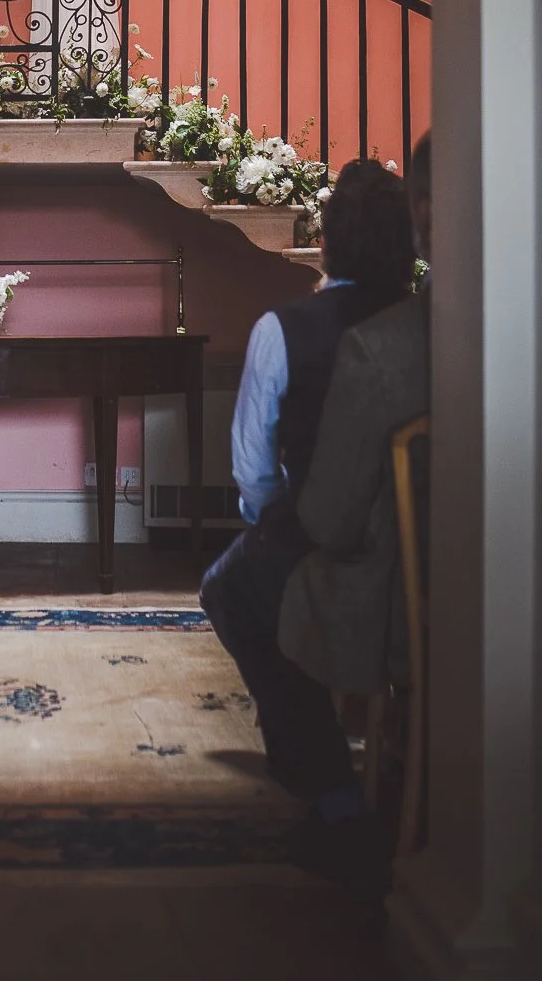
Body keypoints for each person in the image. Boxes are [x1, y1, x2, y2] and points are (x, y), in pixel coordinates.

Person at [199, 160, 415, 889]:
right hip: (434, 549)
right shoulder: (436, 328)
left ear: (325, 243)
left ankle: (332, 793)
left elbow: (253, 470)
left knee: (230, 591)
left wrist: (274, 530)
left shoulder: (283, 328)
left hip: (322, 530)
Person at [280, 133, 432, 701]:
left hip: (396, 595)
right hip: (488, 580)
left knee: (240, 588)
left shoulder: (377, 348)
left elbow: (331, 521)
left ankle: (319, 749)